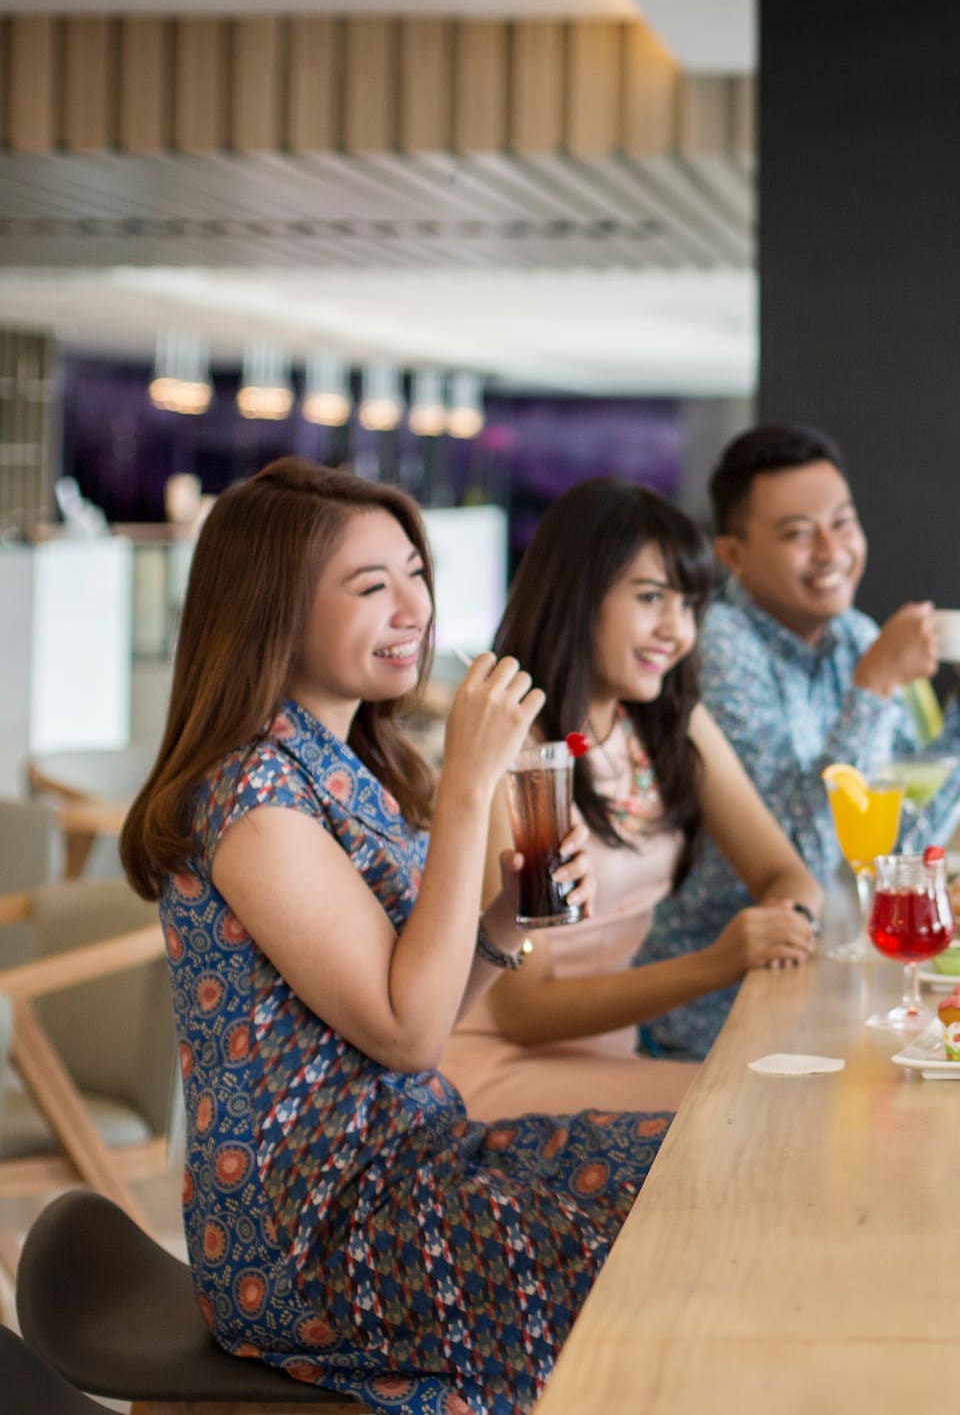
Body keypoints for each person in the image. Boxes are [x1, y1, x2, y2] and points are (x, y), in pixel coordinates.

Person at [120, 458, 666, 1414]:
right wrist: (470, 787)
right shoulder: (254, 798)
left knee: (680, 1173)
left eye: (416, 573)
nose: (413, 606)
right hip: (313, 1228)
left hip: (414, 1158)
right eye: (373, 586)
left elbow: (419, 1008)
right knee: (631, 1260)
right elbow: (407, 1034)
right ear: (274, 613)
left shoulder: (345, 766)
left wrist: (500, 918)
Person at [638, 425, 960, 1059]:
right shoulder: (717, 646)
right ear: (733, 555)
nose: (831, 550)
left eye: (842, 523)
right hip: (718, 1012)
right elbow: (802, 859)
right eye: (797, 533)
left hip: (821, 978)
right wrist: (873, 685)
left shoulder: (853, 633)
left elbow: (902, 833)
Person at [440, 479, 819, 1116]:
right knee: (761, 1111)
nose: (677, 631)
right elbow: (526, 1010)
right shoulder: (522, 747)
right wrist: (718, 963)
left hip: (609, 1058)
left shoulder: (667, 724)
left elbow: (784, 872)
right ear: (579, 596)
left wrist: (788, 926)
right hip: (506, 1066)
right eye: (651, 598)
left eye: (691, 606)